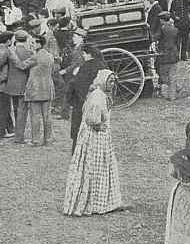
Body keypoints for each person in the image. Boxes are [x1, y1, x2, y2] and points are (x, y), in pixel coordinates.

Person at [63, 69, 125, 216]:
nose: (112, 84)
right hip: (94, 136)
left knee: (103, 167)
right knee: (94, 167)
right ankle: (93, 202)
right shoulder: (98, 96)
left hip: (100, 136)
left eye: (113, 82)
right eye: (109, 81)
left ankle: (105, 201)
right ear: (102, 81)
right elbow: (92, 119)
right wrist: (99, 125)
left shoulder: (102, 94)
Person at [10, 34, 54, 146]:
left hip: (35, 89)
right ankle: (48, 139)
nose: (31, 45)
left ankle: (36, 140)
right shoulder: (50, 56)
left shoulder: (35, 57)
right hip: (48, 88)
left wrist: (13, 54)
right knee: (47, 116)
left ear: (39, 44)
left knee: (35, 115)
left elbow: (21, 66)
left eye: (33, 43)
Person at [66, 43, 104, 155]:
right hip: (98, 101)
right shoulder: (102, 65)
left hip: (82, 102)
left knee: (80, 127)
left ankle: (78, 152)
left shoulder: (85, 67)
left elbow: (76, 84)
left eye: (84, 54)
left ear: (89, 54)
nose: (83, 56)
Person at [157, 11, 179, 100]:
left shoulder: (162, 29)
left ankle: (176, 88)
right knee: (172, 75)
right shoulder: (175, 29)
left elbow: (157, 38)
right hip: (173, 53)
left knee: (163, 75)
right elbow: (177, 42)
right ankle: (173, 95)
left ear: (162, 20)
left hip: (164, 54)